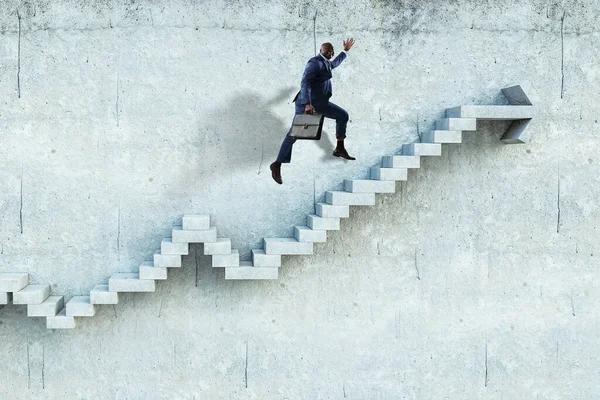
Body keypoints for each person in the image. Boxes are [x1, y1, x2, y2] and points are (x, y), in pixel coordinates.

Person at [270, 38, 356, 185]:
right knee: (294, 134)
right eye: (328, 50)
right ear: (321, 50)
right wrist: (307, 104)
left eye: (332, 51)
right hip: (307, 104)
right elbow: (305, 82)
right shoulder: (314, 63)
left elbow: (334, 64)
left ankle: (339, 148)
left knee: (342, 115)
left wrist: (345, 51)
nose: (331, 53)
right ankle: (277, 164)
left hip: (321, 103)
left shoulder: (327, 62)